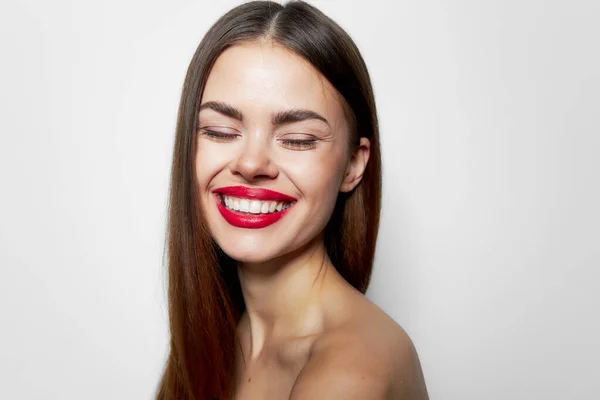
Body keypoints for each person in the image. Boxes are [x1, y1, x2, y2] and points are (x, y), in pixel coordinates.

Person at [156, 1, 428, 399]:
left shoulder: (350, 374)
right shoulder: (227, 336)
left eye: (298, 139)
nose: (251, 163)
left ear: (354, 165)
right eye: (219, 131)